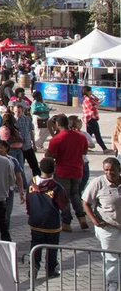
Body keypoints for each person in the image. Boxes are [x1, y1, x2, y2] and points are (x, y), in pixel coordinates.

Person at [45, 115, 90, 232]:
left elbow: (48, 156)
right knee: (75, 194)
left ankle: (66, 222)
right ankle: (81, 217)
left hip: (62, 171)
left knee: (64, 197)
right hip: (78, 170)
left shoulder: (57, 139)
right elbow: (85, 151)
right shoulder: (81, 137)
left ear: (58, 125)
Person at [83, 156, 121, 291]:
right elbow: (86, 203)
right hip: (108, 228)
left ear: (119, 170)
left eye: (112, 170)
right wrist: (94, 221)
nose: (109, 173)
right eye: (106, 170)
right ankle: (112, 284)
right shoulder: (97, 183)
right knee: (111, 257)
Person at [27, 157, 67, 281]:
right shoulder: (56, 187)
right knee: (52, 247)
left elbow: (28, 201)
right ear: (54, 169)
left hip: (35, 220)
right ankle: (50, 269)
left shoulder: (31, 183)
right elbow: (64, 204)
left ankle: (34, 267)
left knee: (35, 244)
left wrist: (30, 213)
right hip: (52, 223)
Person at [82, 86, 110, 152]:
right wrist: (97, 104)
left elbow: (97, 100)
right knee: (97, 134)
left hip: (90, 118)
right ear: (87, 92)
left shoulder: (90, 98)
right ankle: (104, 149)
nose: (91, 92)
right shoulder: (87, 99)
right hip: (90, 118)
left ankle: (85, 148)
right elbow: (92, 108)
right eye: (90, 91)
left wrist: (94, 97)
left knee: (89, 135)